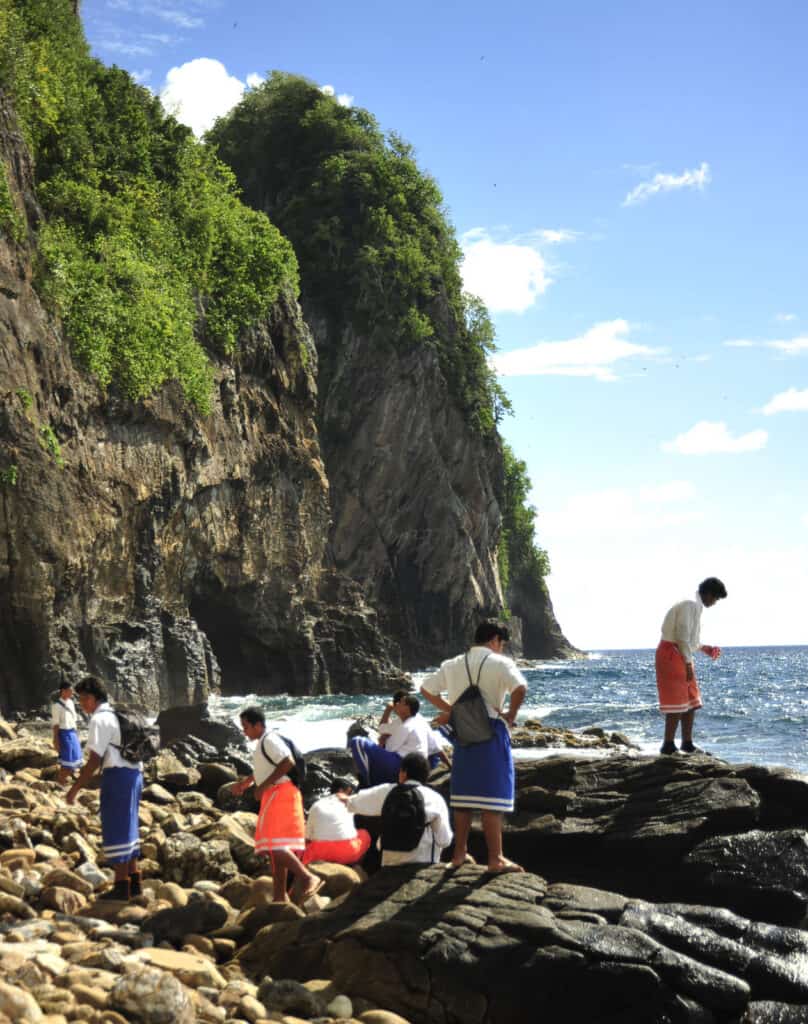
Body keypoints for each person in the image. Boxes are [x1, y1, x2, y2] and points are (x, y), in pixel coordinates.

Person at [420, 621, 527, 873]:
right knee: (493, 799)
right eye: (501, 644)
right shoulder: (500, 663)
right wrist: (511, 714)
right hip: (491, 732)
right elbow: (520, 688)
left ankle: (459, 855)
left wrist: (452, 710)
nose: (501, 649)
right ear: (494, 640)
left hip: (463, 733)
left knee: (463, 799)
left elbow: (425, 689)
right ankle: (496, 859)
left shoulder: (453, 663)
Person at [231, 707, 324, 904]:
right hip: (280, 793)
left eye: (246, 727)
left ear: (258, 725)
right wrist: (245, 784)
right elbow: (265, 770)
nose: (244, 731)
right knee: (277, 846)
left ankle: (308, 877)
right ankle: (279, 897)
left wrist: (263, 787)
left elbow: (287, 762)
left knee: (273, 844)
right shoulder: (263, 742)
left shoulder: (269, 739)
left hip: (280, 793)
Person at [66, 675, 143, 901]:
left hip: (118, 776)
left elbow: (93, 761)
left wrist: (74, 789)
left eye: (82, 700)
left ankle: (121, 887)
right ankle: (134, 882)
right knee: (130, 825)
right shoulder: (118, 714)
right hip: (136, 774)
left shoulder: (100, 719)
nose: (81, 705)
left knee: (117, 827)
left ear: (91, 698)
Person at [657, 577, 727, 755]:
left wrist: (705, 648)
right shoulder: (689, 604)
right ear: (709, 593)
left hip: (680, 654)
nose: (715, 602)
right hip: (671, 654)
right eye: (716, 598)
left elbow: (690, 640)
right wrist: (688, 663)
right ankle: (668, 745)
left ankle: (687, 743)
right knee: (677, 702)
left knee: (691, 700)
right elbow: (681, 637)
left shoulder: (695, 607)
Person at [344, 753, 452, 866]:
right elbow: (444, 840)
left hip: (389, 862)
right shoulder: (435, 798)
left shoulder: (386, 791)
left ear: (404, 773)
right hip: (422, 863)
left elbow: (352, 803)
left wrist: (342, 799)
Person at [349, 690, 447, 787]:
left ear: (407, 709)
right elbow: (437, 746)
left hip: (406, 766)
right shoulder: (413, 721)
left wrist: (382, 742)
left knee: (358, 742)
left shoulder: (406, 726)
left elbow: (389, 748)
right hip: (421, 767)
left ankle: (368, 783)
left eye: (401, 703)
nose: (396, 705)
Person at [302, 778, 372, 866]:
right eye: (349, 792)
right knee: (365, 834)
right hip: (347, 852)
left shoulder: (316, 805)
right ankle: (354, 866)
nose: (351, 795)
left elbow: (307, 838)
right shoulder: (349, 802)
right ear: (341, 790)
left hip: (319, 853)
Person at [52, 682, 82, 785]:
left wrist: (76, 733)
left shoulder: (71, 703)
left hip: (72, 733)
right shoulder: (56, 706)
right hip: (64, 734)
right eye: (70, 691)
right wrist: (56, 740)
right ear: (63, 691)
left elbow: (73, 720)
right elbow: (55, 724)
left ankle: (65, 781)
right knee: (67, 761)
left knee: (75, 758)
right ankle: (59, 783)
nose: (72, 693)